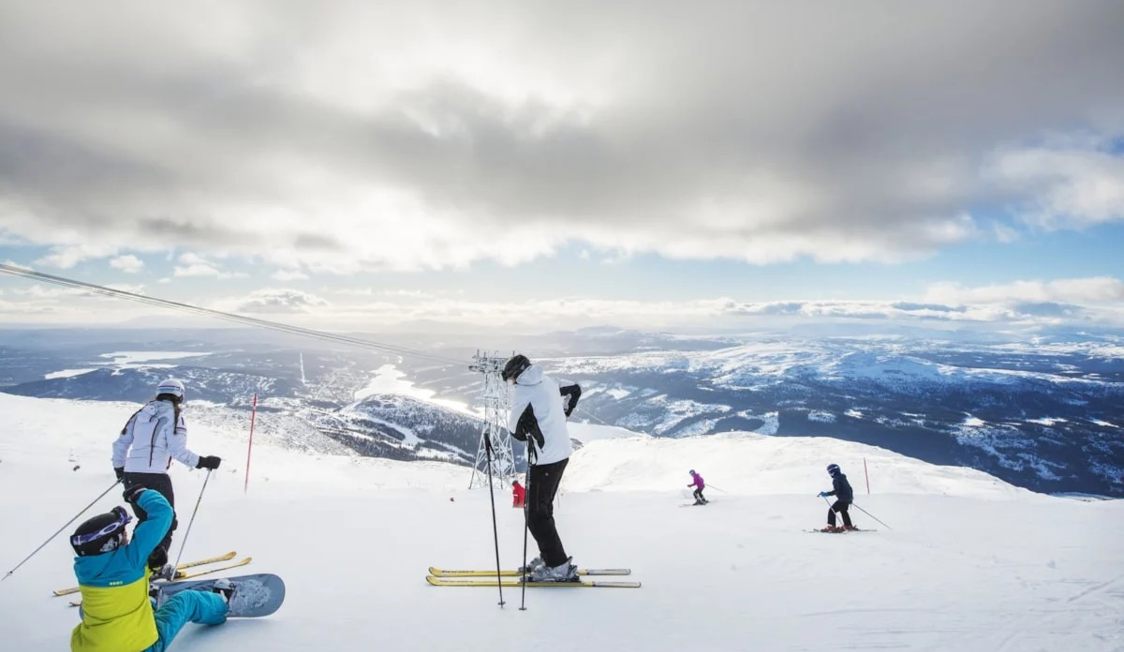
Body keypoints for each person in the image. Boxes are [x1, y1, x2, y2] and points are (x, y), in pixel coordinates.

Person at [69, 485, 230, 651]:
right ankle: (222, 603)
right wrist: (140, 494)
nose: (126, 536)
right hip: (141, 647)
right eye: (123, 533)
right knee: (187, 600)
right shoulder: (131, 558)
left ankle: (149, 600)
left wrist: (149, 568)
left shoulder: (84, 568)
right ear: (112, 542)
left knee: (89, 608)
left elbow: (117, 578)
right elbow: (163, 513)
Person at [112, 378, 222, 576]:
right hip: (156, 477)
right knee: (166, 522)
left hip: (131, 474)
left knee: (145, 520)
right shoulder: (175, 416)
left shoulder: (140, 414)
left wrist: (120, 470)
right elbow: (177, 450)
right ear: (180, 395)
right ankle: (154, 568)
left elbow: (120, 444)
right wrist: (203, 461)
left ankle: (135, 563)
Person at [503, 354, 582, 582]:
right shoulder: (546, 380)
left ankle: (558, 566)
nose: (511, 384)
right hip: (561, 453)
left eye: (510, 379)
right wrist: (562, 414)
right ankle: (551, 557)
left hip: (545, 459)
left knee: (535, 514)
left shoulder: (522, 391)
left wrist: (531, 429)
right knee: (542, 509)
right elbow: (574, 390)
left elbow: (515, 430)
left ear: (516, 375)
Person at [818, 463, 856, 532]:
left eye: (830, 472)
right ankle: (848, 525)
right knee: (843, 511)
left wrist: (827, 494)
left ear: (833, 471)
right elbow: (850, 488)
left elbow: (837, 490)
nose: (829, 474)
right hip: (847, 499)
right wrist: (850, 498)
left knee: (831, 510)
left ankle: (831, 526)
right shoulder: (843, 477)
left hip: (842, 499)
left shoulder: (836, 479)